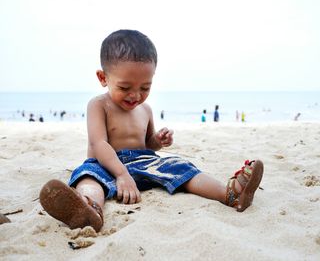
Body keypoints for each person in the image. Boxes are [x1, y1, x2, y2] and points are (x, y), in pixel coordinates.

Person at [39, 30, 264, 232]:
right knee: (88, 177)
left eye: (145, 87)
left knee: (181, 167)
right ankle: (90, 208)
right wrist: (121, 174)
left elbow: (147, 145)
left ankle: (231, 194)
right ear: (103, 78)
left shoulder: (145, 109)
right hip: (106, 164)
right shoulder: (99, 105)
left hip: (144, 161)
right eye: (125, 87)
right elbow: (99, 144)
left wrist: (157, 140)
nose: (135, 95)